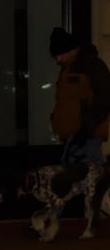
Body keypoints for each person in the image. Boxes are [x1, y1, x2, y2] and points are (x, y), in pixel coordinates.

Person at [48, 26, 110, 165]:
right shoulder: (69, 70)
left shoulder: (92, 67)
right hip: (75, 139)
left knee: (89, 174)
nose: (58, 60)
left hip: (86, 138)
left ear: (70, 50)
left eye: (59, 55)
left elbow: (103, 100)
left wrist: (86, 128)